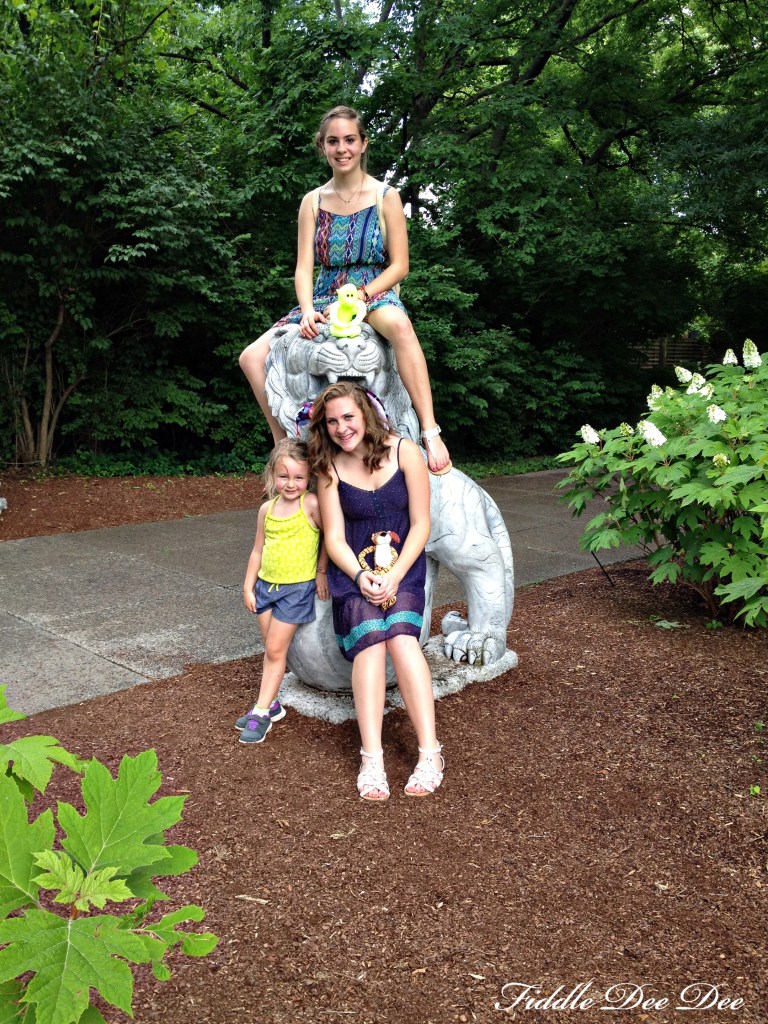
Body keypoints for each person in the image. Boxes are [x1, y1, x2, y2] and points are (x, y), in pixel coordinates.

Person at [239, 104, 451, 475]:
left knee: (401, 328)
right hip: (324, 293)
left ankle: (431, 432)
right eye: (333, 141)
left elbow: (400, 265)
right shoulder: (313, 201)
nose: (342, 148)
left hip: (372, 289)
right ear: (322, 147)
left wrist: (364, 296)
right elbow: (304, 267)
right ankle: (285, 442)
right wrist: (306, 308)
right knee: (250, 358)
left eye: (349, 140)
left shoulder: (386, 196)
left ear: (363, 143)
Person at [308, 382, 444, 800]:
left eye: (347, 417)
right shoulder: (328, 467)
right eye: (331, 421)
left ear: (364, 413)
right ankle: (372, 758)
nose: (341, 428)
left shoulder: (405, 452)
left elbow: (421, 524)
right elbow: (333, 537)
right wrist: (360, 575)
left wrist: (397, 574)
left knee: (402, 640)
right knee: (370, 645)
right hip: (355, 572)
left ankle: (430, 753)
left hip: (402, 567)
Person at [236, 438, 329, 745]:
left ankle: (262, 711)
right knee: (271, 649)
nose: (291, 483)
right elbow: (257, 551)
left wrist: (320, 572)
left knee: (276, 651)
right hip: (265, 587)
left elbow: (331, 539)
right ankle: (272, 702)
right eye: (284, 476)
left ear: (309, 477)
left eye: (299, 477)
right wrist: (249, 586)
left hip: (296, 590)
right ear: (272, 475)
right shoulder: (267, 509)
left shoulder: (312, 504)